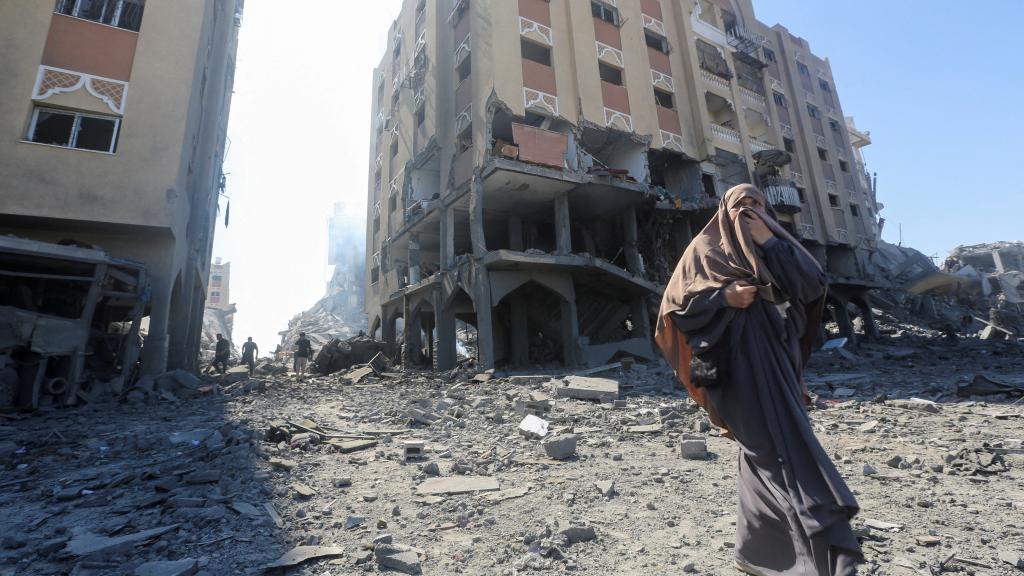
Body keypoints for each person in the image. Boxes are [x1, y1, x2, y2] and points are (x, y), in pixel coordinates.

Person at [655, 184, 862, 576]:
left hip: (779, 363)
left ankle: (758, 552)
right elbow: (676, 308)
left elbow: (813, 287)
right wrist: (724, 298)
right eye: (741, 205)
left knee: (764, 453)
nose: (750, 212)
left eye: (758, 205)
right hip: (735, 368)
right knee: (776, 449)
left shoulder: (778, 244)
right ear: (725, 210)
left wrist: (770, 243)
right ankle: (817, 554)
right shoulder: (706, 248)